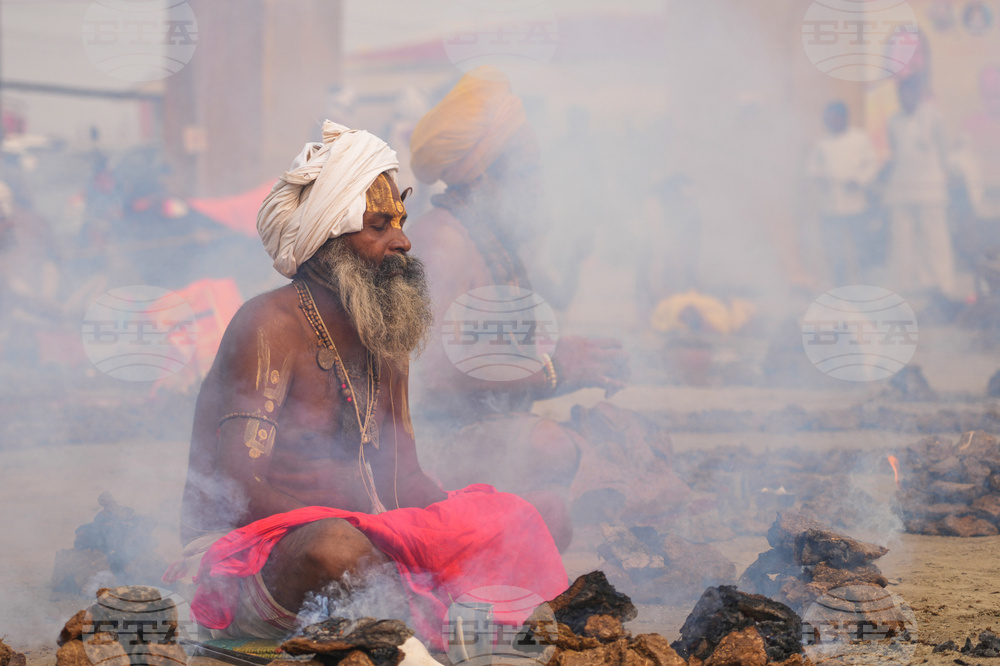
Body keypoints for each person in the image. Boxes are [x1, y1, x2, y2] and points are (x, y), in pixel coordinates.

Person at [172, 121, 567, 647]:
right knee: (336, 549)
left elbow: (405, 478)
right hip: (249, 559)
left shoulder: (386, 332)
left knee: (530, 516)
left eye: (399, 222)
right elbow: (237, 491)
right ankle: (425, 624)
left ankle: (415, 615)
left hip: (377, 544)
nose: (403, 240)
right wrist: (373, 532)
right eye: (379, 225)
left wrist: (449, 529)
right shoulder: (267, 325)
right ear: (329, 236)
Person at [407, 67, 688, 524]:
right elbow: (427, 373)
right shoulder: (442, 243)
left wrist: (583, 359)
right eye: (529, 170)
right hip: (430, 446)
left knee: (637, 433)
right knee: (551, 448)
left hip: (492, 427)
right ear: (483, 176)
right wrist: (554, 368)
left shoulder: (493, 240)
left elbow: (491, 348)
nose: (539, 184)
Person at [884, 76, 957, 296]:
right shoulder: (893, 121)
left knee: (935, 240)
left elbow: (945, 150)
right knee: (904, 242)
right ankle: (909, 286)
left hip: (930, 189)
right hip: (901, 189)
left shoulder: (933, 116)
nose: (906, 98)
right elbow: (896, 152)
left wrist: (946, 176)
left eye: (910, 93)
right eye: (902, 94)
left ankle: (942, 285)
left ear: (918, 94)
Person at [806, 101, 880, 285]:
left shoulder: (860, 138)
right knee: (836, 251)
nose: (832, 122)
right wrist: (820, 179)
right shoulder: (822, 143)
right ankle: (841, 287)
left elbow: (872, 164)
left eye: (835, 118)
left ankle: (865, 286)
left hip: (856, 204)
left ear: (844, 118)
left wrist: (859, 180)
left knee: (860, 249)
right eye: (828, 119)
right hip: (831, 206)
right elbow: (812, 169)